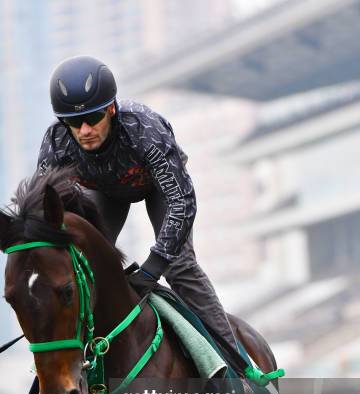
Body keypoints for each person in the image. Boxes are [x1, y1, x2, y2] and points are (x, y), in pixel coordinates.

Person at [36, 55, 246, 369]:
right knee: (80, 265)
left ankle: (238, 369)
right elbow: (47, 211)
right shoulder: (56, 143)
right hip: (105, 192)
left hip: (158, 187)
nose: (84, 130)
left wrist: (153, 266)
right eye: (73, 123)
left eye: (93, 118)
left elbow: (181, 203)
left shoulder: (144, 130)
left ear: (111, 109)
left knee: (180, 267)